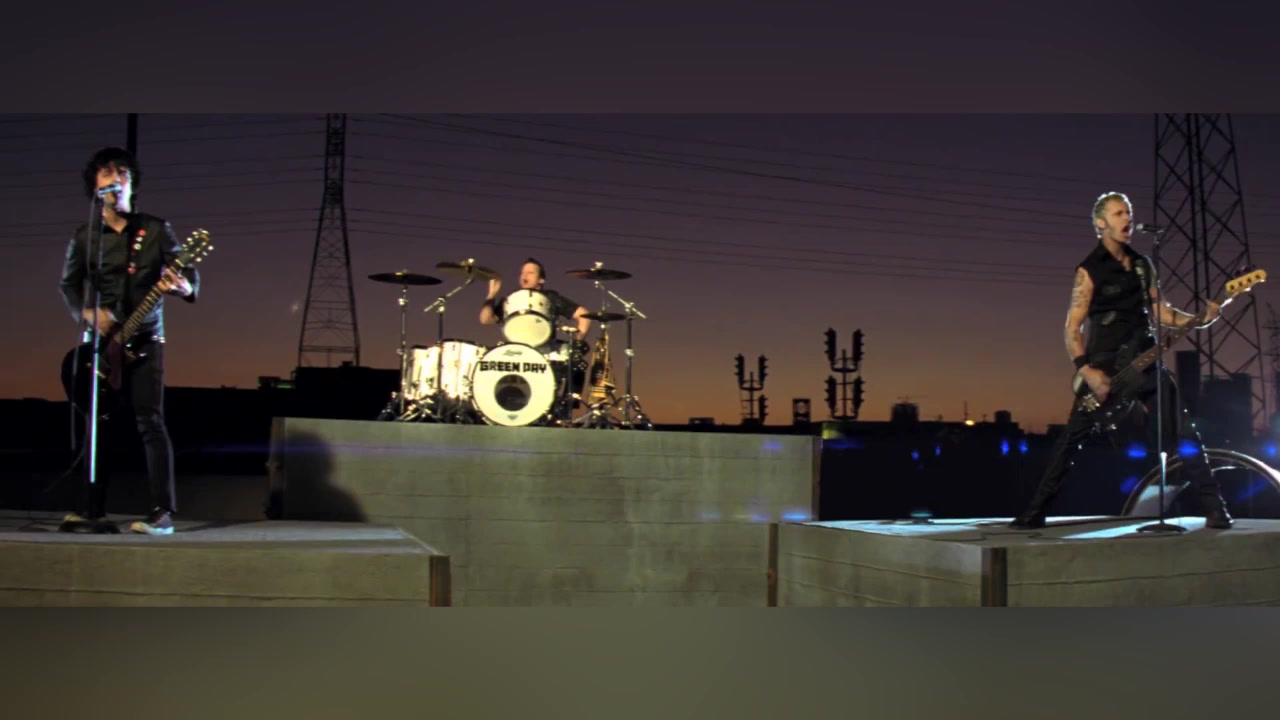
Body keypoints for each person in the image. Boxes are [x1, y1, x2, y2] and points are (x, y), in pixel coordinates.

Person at [1010, 191, 1233, 530]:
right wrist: (1087, 371)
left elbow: (1162, 312)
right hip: (1106, 370)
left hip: (1147, 361)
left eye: (1128, 212)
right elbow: (1072, 328)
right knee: (1071, 442)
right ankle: (1035, 512)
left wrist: (1201, 318)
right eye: (1118, 214)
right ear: (1101, 223)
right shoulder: (1089, 270)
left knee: (1185, 433)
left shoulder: (1143, 266)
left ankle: (1215, 509)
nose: (1127, 218)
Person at [58, 147, 200, 535]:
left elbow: (187, 273)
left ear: (132, 186)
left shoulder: (155, 229)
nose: (116, 182)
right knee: (98, 423)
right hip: (105, 345)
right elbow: (69, 285)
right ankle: (91, 509)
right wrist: (87, 313)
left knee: (150, 421)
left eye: (123, 176)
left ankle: (162, 512)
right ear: (95, 188)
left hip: (148, 337)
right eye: (107, 176)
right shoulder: (85, 237)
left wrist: (184, 286)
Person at [480, 257, 591, 387]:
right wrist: (491, 295)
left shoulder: (551, 298)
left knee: (576, 366)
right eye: (522, 273)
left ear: (541, 280)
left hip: (545, 354)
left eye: (530, 273)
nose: (524, 276)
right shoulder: (512, 299)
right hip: (516, 355)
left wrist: (578, 343)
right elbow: (485, 319)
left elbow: (584, 315)